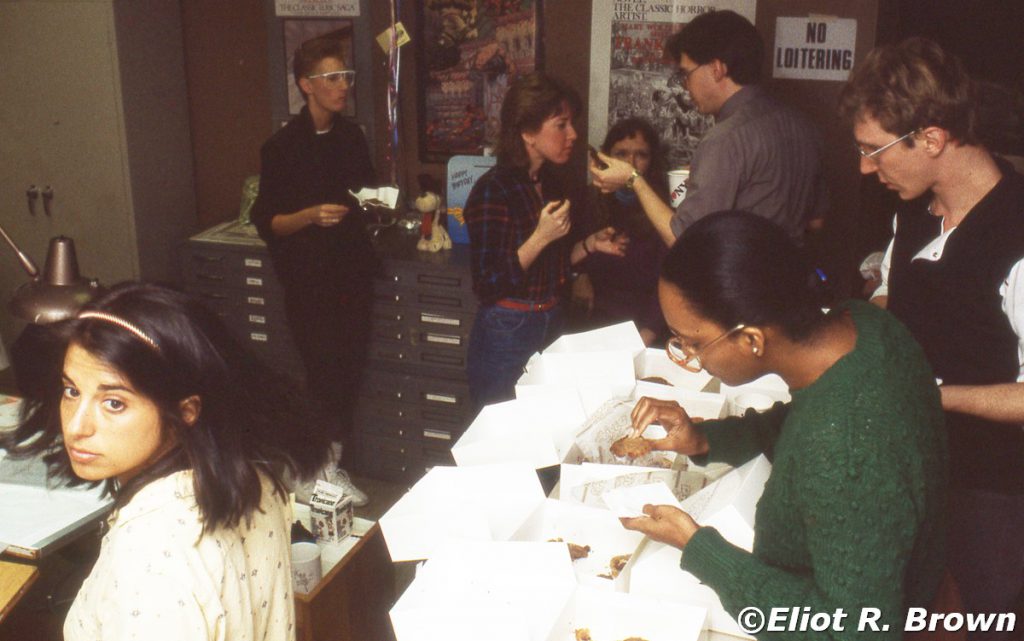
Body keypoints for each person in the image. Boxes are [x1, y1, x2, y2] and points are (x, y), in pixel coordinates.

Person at [620, 211, 950, 635]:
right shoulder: (862, 325)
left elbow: (854, 630)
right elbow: (806, 417)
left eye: (694, 343)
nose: (689, 356)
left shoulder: (845, 443)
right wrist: (704, 439)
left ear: (752, 339)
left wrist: (698, 547)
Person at [3, 282, 331, 641]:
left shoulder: (147, 562)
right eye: (72, 391)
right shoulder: (256, 479)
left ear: (185, 410)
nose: (76, 426)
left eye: (114, 403)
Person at [839, 37, 1024, 632]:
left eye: (875, 150)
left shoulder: (1016, 236)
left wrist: (936, 394)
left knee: (987, 618)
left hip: (994, 492)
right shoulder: (913, 210)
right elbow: (896, 296)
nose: (866, 168)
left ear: (934, 138)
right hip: (916, 469)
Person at [251, 36, 376, 506]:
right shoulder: (281, 147)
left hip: (352, 277)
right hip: (309, 283)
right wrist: (309, 215)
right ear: (306, 85)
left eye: (346, 76)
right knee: (323, 376)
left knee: (348, 374)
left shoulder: (351, 136)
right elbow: (268, 222)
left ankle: (326, 468)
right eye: (332, 78)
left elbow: (365, 193)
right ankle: (314, 471)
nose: (343, 85)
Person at [590, 10, 827, 246]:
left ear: (716, 68)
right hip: (791, 275)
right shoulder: (804, 126)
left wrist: (634, 180)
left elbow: (682, 239)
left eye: (686, 73)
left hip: (739, 277)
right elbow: (815, 222)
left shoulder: (725, 139)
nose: (685, 86)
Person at [464, 71, 627, 410]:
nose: (573, 134)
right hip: (507, 330)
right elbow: (488, 283)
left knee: (547, 428)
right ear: (527, 132)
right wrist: (539, 238)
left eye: (572, 124)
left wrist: (589, 245)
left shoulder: (550, 182)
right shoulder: (492, 191)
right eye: (561, 125)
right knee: (503, 433)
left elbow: (551, 265)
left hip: (551, 319)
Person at [575, 117, 669, 346]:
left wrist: (649, 332)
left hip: (647, 326)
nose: (631, 164)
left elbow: (670, 280)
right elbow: (569, 254)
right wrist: (579, 275)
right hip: (594, 321)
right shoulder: (587, 200)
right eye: (622, 154)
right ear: (607, 158)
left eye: (641, 155)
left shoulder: (663, 208)